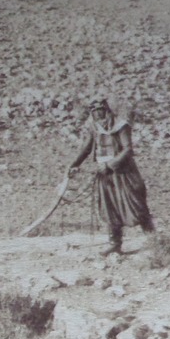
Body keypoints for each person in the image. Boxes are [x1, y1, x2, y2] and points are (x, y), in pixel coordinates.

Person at [69, 97, 154, 255]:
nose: (98, 115)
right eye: (94, 112)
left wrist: (110, 164)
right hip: (105, 175)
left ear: (107, 111)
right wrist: (74, 164)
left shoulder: (121, 126)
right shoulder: (95, 128)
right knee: (109, 207)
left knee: (135, 205)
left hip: (123, 173)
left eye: (100, 111)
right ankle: (115, 243)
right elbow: (86, 148)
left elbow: (127, 150)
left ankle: (154, 240)